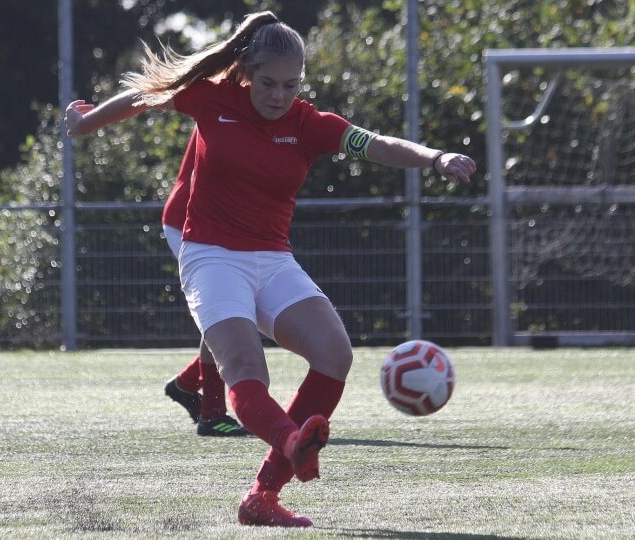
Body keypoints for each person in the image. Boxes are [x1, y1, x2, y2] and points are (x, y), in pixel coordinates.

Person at [65, 10, 475, 528]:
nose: (279, 95)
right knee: (246, 370)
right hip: (211, 257)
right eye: (268, 83)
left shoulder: (310, 124)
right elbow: (145, 96)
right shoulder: (215, 97)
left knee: (334, 354)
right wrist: (86, 121)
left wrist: (435, 157)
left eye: (290, 85)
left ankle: (262, 497)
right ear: (245, 73)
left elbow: (379, 146)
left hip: (273, 259)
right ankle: (289, 442)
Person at [161, 126, 248, 437]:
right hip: (191, 223)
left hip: (215, 225)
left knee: (236, 313)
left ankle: (186, 385)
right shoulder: (228, 102)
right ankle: (212, 414)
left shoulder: (253, 100)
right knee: (224, 313)